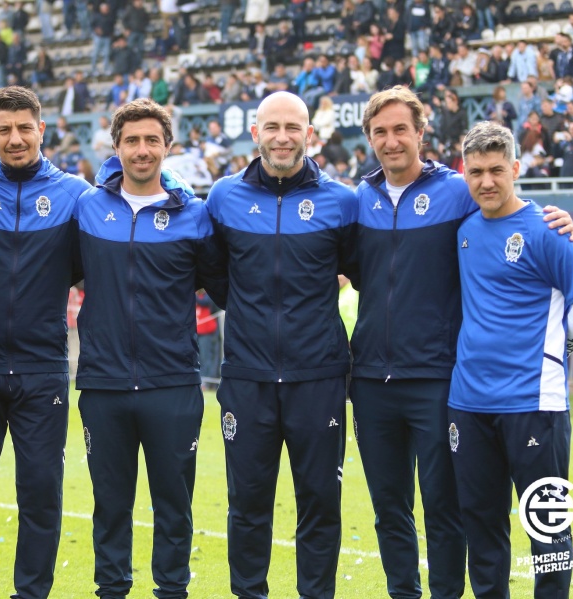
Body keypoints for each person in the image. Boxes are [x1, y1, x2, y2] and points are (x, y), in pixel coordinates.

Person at [350, 86, 573, 599]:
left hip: (439, 379)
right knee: (389, 508)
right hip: (370, 379)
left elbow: (504, 198)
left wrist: (550, 215)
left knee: (446, 507)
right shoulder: (355, 199)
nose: (391, 141)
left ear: (421, 133)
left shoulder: (456, 190)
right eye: (380, 132)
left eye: (400, 129)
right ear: (369, 138)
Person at [205, 91, 357, 598]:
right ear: (255, 133)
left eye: (293, 127)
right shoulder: (223, 197)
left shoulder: (341, 200)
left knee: (319, 504)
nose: (283, 137)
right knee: (246, 505)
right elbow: (217, 280)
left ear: (309, 133)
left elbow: (367, 271)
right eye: (272, 127)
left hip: (318, 379)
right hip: (247, 379)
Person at [74, 98, 227, 599]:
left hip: (173, 384)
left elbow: (226, 287)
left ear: (168, 146)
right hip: (103, 384)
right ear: (116, 147)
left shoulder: (195, 216)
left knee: (173, 505)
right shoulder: (86, 209)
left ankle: (172, 591)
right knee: (110, 505)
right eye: (132, 141)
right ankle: (111, 590)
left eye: (152, 140)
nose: (142, 150)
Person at [450, 120, 573, 599]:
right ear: (465, 174)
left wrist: (558, 356)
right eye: (476, 172)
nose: (487, 182)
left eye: (497, 170)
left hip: (533, 403)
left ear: (516, 168)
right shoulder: (464, 230)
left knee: (546, 524)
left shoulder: (548, 229)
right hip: (468, 404)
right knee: (481, 523)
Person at [0, 85, 92, 599]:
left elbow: (133, 194)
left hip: (42, 369)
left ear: (41, 130)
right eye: (4, 130)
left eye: (24, 128)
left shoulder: (77, 194)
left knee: (40, 493)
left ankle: (31, 593)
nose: (15, 139)